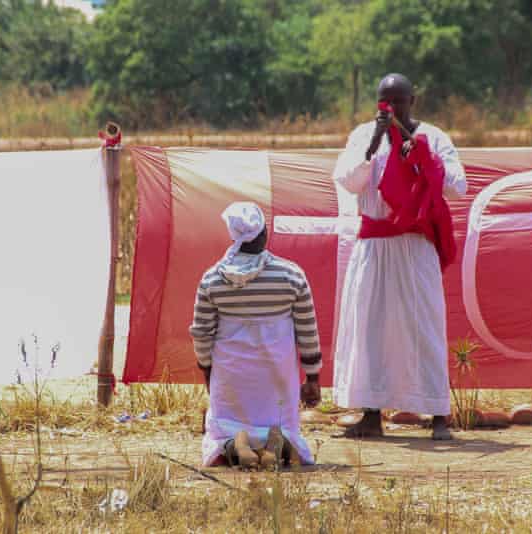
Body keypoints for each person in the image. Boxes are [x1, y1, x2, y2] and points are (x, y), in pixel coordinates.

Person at [332, 73, 467, 440]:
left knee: (424, 326)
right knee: (370, 327)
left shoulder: (434, 136)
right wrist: (375, 143)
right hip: (375, 246)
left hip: (414, 246)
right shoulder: (363, 135)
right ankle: (372, 414)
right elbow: (348, 180)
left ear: (413, 101)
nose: (391, 108)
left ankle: (438, 414)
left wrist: (420, 152)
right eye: (384, 101)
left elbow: (458, 184)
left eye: (398, 100)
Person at [190, 201, 323, 468]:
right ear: (264, 233)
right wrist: (312, 376)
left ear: (233, 236)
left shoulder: (212, 278)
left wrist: (207, 368)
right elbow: (307, 329)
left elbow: (202, 333)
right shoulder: (291, 274)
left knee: (225, 426)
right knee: (283, 425)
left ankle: (234, 442)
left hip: (231, 375)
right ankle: (277, 441)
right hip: (276, 376)